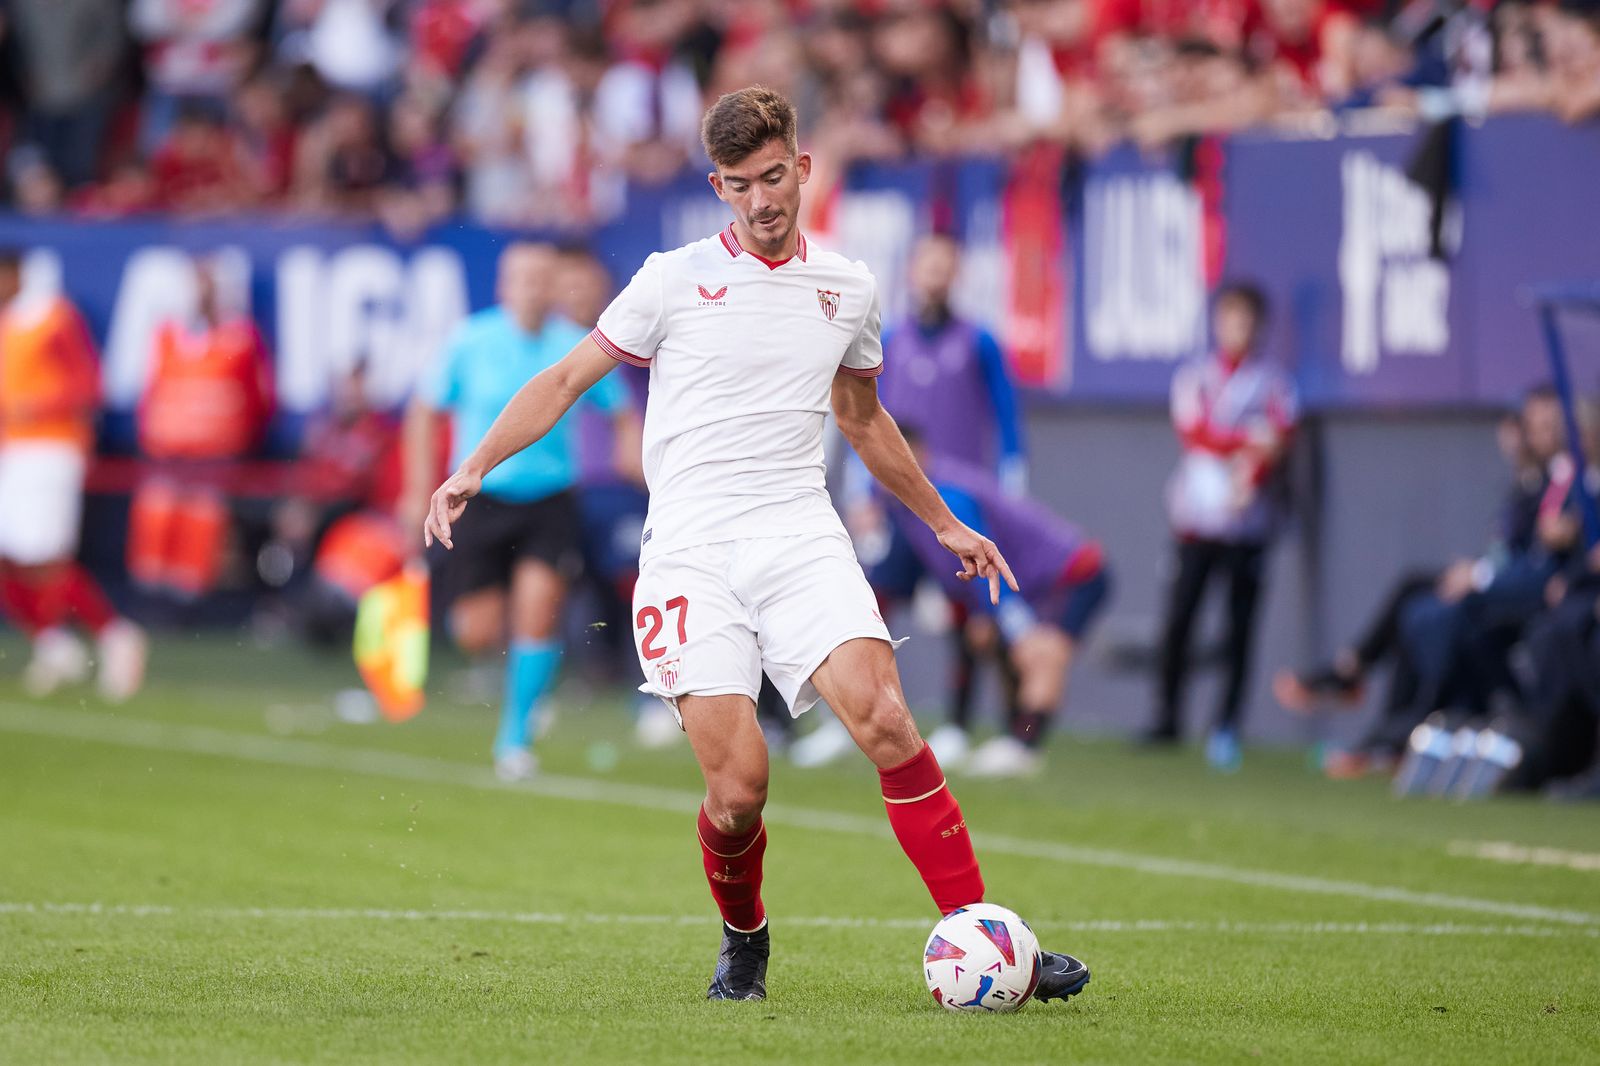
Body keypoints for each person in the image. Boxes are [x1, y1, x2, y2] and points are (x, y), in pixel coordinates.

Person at [422, 86, 1091, 1005]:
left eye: (774, 177)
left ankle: (987, 934)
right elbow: (568, 377)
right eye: (739, 185)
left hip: (799, 533)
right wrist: (472, 466)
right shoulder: (671, 279)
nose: (761, 200)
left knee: (886, 719)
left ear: (802, 168)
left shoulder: (847, 288)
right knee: (739, 790)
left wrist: (944, 522)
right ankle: (745, 939)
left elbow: (863, 418)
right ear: (718, 187)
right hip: (689, 551)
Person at [404, 242, 643, 781]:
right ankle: (524, 677)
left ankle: (515, 738)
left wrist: (631, 450)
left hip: (551, 500)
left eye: (543, 278)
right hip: (482, 501)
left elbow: (620, 409)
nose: (534, 288)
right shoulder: (471, 341)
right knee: (476, 632)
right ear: (504, 285)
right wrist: (418, 487)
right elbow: (424, 410)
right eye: (524, 278)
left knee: (539, 612)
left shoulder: (574, 344)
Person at [793, 231, 1028, 769]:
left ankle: (965, 725)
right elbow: (860, 415)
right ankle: (846, 719)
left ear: (958, 274)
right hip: (896, 503)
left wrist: (1007, 499)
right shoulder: (889, 338)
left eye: (945, 266)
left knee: (972, 614)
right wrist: (860, 492)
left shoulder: (980, 342)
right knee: (864, 607)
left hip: (960, 509)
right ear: (911, 271)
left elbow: (1009, 422)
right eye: (928, 265)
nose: (935, 276)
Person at [878, 436, 1111, 778]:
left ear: (916, 454)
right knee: (999, 648)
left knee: (1041, 654)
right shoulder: (901, 503)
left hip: (1070, 575)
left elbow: (985, 557)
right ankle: (1012, 736)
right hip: (1025, 585)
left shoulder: (947, 494)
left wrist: (1011, 622)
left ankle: (1024, 746)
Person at [1148, 281, 1298, 771]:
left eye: (1248, 321)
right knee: (1179, 621)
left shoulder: (1274, 383)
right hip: (1196, 522)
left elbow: (1280, 438)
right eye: (1232, 319)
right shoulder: (1196, 377)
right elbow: (1196, 433)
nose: (1239, 330)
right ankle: (1167, 717)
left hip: (1247, 524)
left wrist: (1253, 468)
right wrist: (1247, 442)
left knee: (1240, 629)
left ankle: (1226, 726)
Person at [0, 249, 147, 700]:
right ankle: (54, 644)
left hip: (51, 448)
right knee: (11, 558)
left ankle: (116, 636)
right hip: (14, 451)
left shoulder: (53, 318)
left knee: (46, 558)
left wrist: (39, 406)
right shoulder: (8, 324)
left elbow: (89, 384)